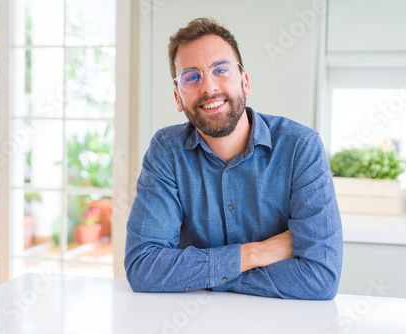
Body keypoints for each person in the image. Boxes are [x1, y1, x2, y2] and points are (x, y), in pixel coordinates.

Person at [124, 17, 342, 300]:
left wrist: (201, 275)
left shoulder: (301, 147)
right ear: (178, 98)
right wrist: (256, 253)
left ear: (245, 81)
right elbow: (143, 268)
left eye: (221, 70)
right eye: (192, 77)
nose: (209, 87)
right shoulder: (166, 150)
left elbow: (320, 278)